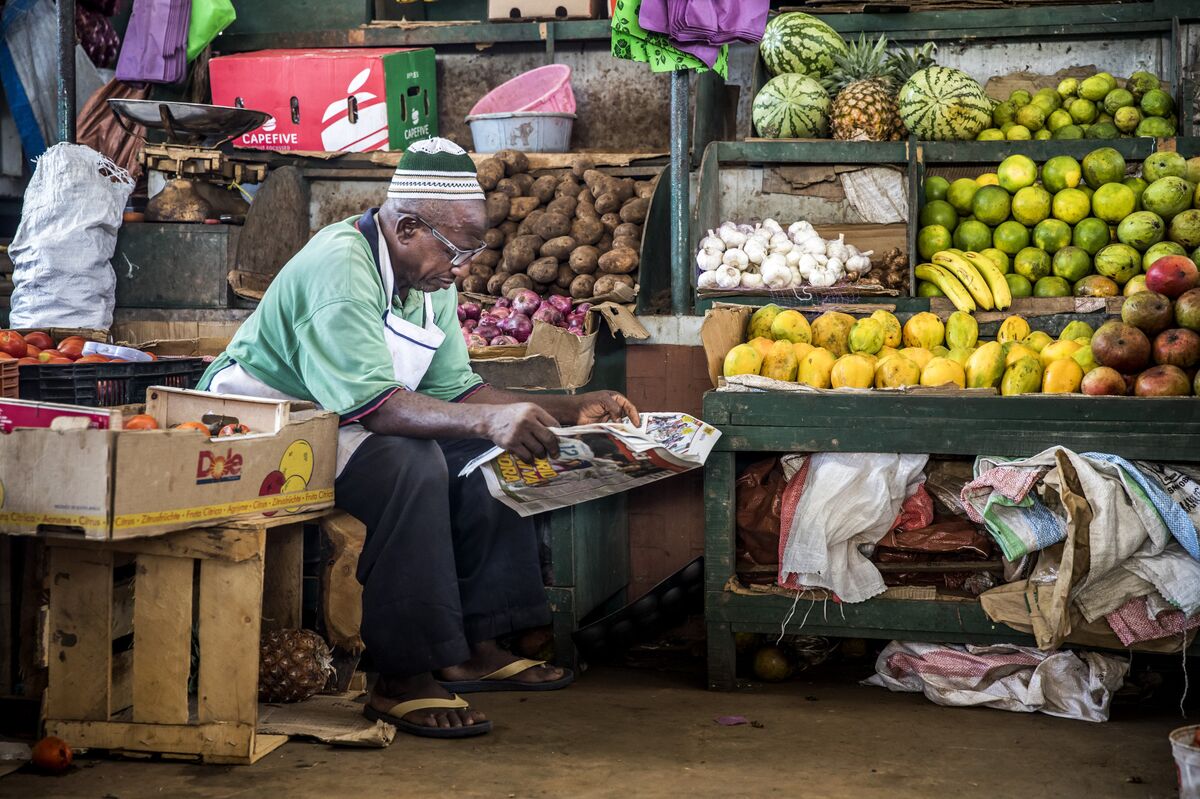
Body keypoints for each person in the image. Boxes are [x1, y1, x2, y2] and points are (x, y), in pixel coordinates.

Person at [198, 138, 639, 739]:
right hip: (266, 425)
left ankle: (474, 643)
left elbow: (458, 392)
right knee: (412, 464)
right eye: (456, 251)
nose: (463, 267)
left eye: (471, 250)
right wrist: (488, 422)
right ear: (406, 227)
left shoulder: (430, 280)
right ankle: (403, 675)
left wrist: (564, 409)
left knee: (490, 452)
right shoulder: (341, 266)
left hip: (346, 417)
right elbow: (375, 409)